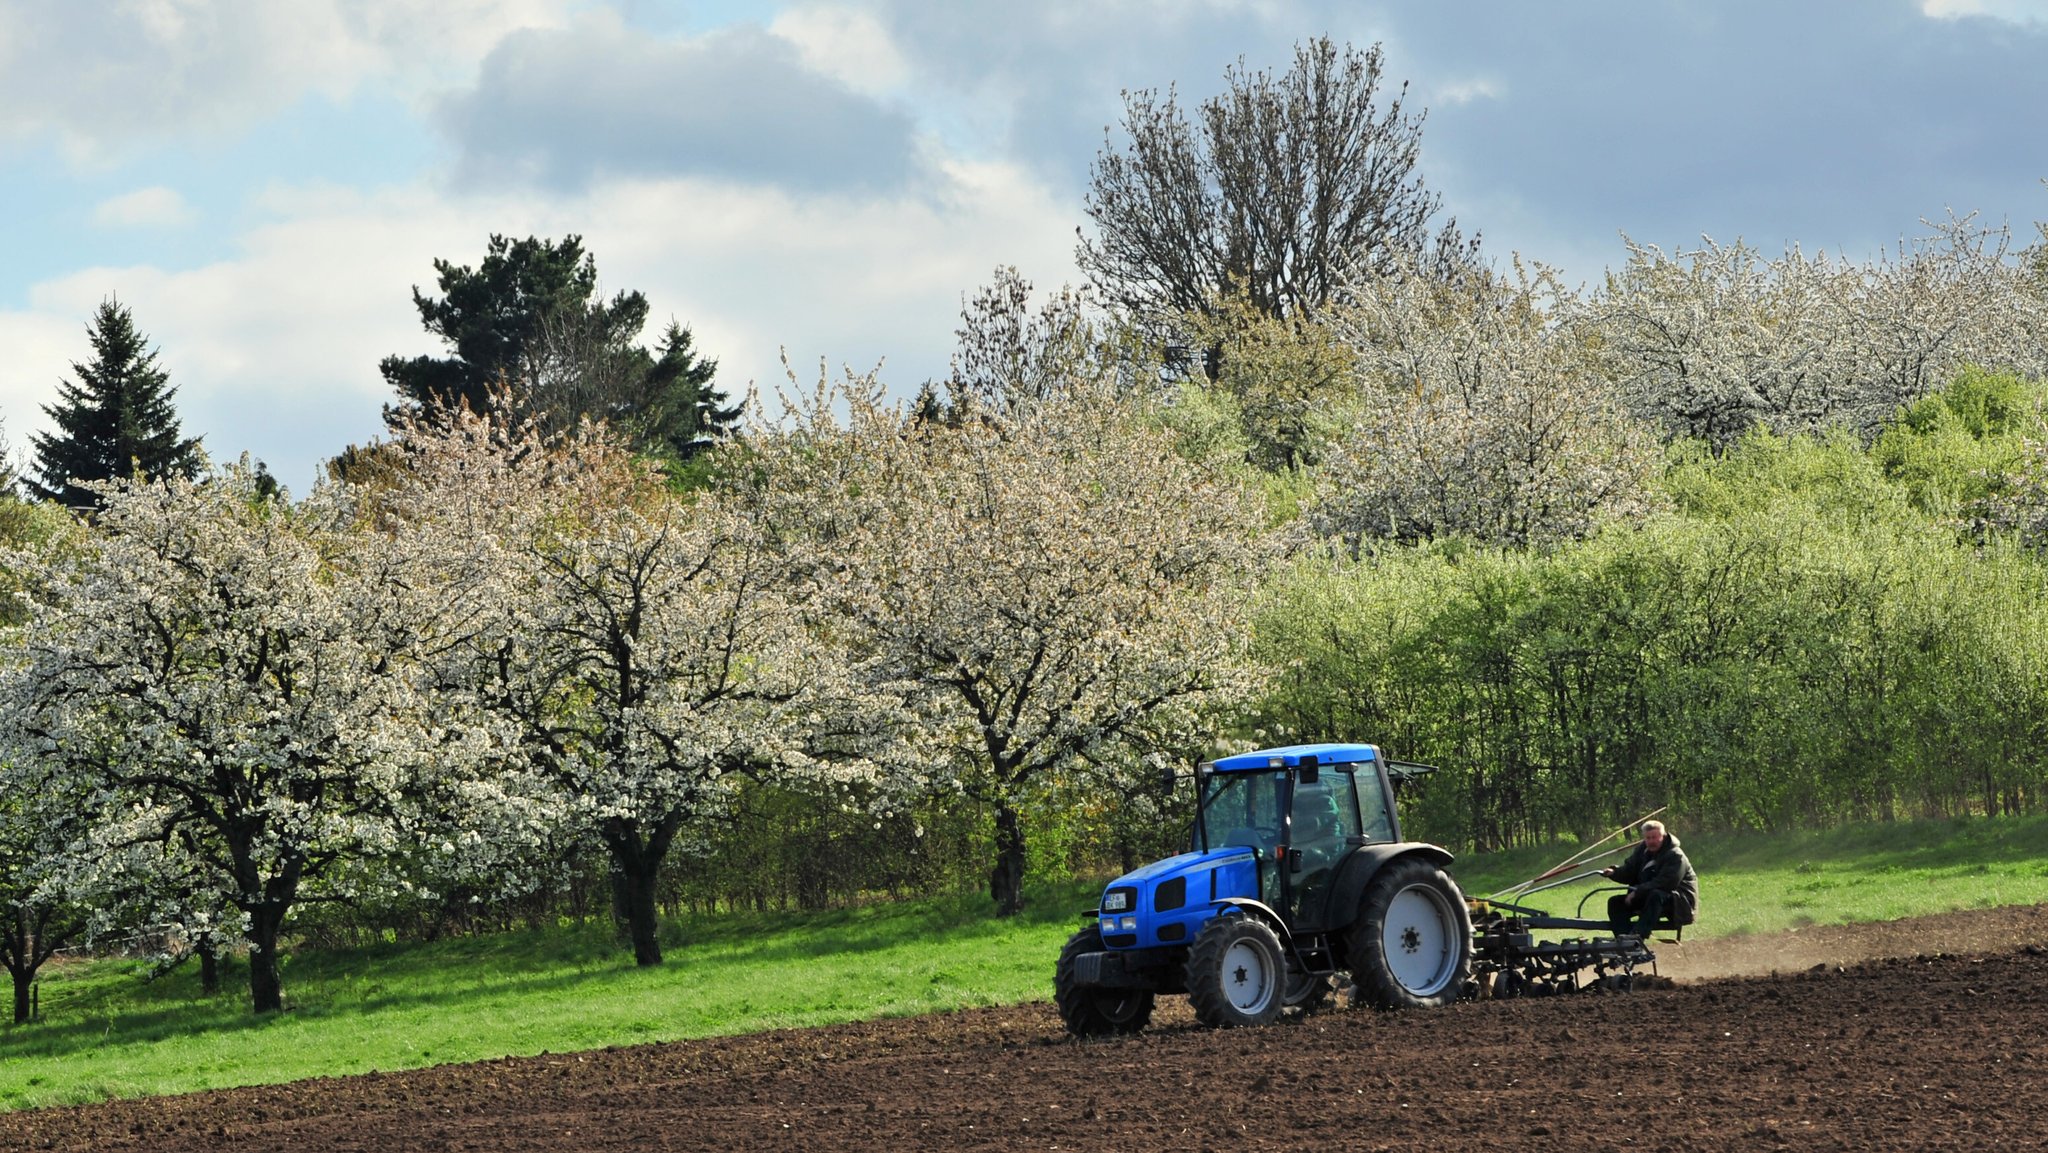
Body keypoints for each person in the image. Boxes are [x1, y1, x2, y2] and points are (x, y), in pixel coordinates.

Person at [1601, 819, 1698, 940]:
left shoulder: (1675, 855)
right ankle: (1624, 940)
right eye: (1648, 838)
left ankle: (1638, 936)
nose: (1651, 841)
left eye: (1654, 837)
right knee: (1615, 903)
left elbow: (1666, 883)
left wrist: (1637, 892)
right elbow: (1630, 871)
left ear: (1663, 836)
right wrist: (1614, 873)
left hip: (1679, 902)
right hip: (1649, 895)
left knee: (1656, 895)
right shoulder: (1642, 851)